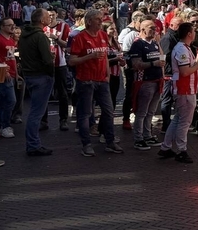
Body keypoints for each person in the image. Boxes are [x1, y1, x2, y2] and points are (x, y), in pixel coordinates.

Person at [70, 9, 124, 156]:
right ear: (89, 22)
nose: (101, 22)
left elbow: (105, 57)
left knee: (108, 111)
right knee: (86, 113)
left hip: (102, 80)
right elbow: (72, 60)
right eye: (98, 19)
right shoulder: (80, 38)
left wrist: (107, 74)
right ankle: (86, 144)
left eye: (101, 19)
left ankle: (109, 141)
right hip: (86, 80)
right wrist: (90, 56)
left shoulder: (103, 35)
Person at [157, 22, 198, 163]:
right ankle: (181, 150)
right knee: (185, 121)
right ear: (189, 34)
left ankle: (166, 147)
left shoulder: (183, 48)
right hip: (185, 89)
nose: (195, 33)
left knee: (178, 119)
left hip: (185, 89)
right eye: (193, 31)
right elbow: (185, 71)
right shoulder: (182, 49)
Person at [19, 8, 55, 157]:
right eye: (47, 16)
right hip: (41, 76)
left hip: (29, 74)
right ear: (41, 21)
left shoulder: (24, 35)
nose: (50, 18)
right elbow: (47, 60)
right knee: (36, 113)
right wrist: (51, 71)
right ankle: (33, 144)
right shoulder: (40, 37)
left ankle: (32, 143)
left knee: (34, 111)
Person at [129, 19, 164, 149]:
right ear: (143, 29)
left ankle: (147, 135)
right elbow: (136, 64)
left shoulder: (154, 43)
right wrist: (152, 64)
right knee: (142, 111)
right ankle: (138, 138)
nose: (154, 30)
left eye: (155, 28)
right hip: (145, 81)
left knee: (151, 111)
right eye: (151, 28)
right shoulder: (137, 44)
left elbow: (161, 57)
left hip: (157, 80)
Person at [43, 11, 73, 132]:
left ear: (56, 16)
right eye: (47, 16)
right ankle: (43, 121)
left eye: (52, 15)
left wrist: (55, 38)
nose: (50, 18)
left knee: (63, 93)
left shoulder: (63, 27)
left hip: (60, 63)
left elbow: (68, 45)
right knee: (44, 93)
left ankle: (63, 120)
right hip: (45, 64)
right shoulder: (41, 28)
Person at [0, 18, 19, 138]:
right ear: (2, 27)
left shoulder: (11, 41)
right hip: (3, 74)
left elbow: (12, 58)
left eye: (13, 25)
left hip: (11, 73)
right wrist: (2, 70)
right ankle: (5, 125)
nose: (12, 27)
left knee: (3, 100)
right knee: (10, 100)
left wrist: (16, 73)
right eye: (9, 25)